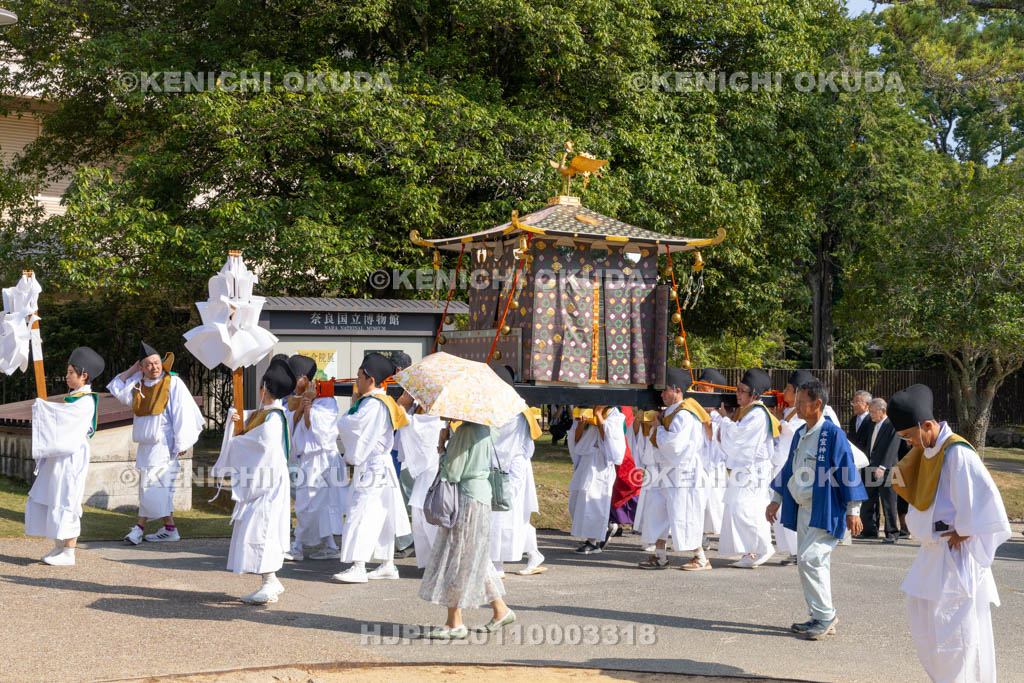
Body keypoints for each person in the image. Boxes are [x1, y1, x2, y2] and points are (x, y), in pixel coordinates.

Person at [889, 384, 1011, 682]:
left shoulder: (956, 452)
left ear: (927, 425)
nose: (908, 444)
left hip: (953, 557)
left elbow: (984, 501)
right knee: (929, 630)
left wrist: (966, 531)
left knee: (954, 634)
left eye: (909, 436)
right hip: (933, 555)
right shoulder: (929, 449)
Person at [767, 380, 867, 640]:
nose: (796, 406)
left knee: (812, 559)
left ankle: (825, 616)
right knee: (808, 562)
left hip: (825, 509)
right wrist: (776, 499)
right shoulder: (801, 433)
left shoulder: (833, 435)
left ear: (817, 404)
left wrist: (853, 510)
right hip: (803, 510)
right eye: (796, 401)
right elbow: (790, 467)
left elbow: (848, 470)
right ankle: (817, 615)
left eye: (801, 402)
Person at [212, 357, 296, 604]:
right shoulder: (270, 414)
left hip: (265, 485)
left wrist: (236, 437)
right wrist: (235, 420)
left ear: (264, 389)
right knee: (258, 531)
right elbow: (250, 421)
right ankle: (269, 581)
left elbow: (255, 447)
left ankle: (270, 581)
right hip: (266, 483)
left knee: (261, 531)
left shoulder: (272, 421)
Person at [420, 420, 515, 639]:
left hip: (466, 498)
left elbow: (452, 472)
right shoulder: (488, 429)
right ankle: (501, 610)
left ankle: (455, 622)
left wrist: (443, 447)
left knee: (458, 556)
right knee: (475, 555)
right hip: (481, 495)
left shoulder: (466, 431)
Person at [108, 342, 204, 545]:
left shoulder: (173, 382)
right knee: (154, 488)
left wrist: (181, 441)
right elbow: (116, 387)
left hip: (164, 445)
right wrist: (132, 370)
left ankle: (138, 528)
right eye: (148, 364)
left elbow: (182, 413)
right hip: (145, 446)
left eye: (156, 362)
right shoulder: (138, 383)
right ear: (141, 367)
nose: (154, 367)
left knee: (154, 487)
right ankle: (170, 529)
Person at [334, 352, 412, 583]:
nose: (356, 380)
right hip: (380, 465)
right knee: (382, 515)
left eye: (359, 376)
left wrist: (352, 406)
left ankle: (359, 566)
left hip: (373, 466)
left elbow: (350, 425)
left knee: (362, 513)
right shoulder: (382, 401)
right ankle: (387, 563)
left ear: (370, 379)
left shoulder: (373, 404)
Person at [25, 347, 104, 567]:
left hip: (71, 458)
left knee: (67, 498)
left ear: (83, 375)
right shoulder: (74, 398)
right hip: (59, 457)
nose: (67, 376)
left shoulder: (86, 401)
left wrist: (44, 409)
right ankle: (59, 546)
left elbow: (66, 421)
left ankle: (69, 550)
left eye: (71, 372)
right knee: (54, 496)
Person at [636, 367, 712, 572]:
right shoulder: (672, 412)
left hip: (682, 472)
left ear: (677, 391)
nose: (661, 394)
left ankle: (701, 558)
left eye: (665, 390)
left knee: (683, 513)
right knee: (658, 510)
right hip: (666, 472)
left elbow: (674, 446)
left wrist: (659, 427)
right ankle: (660, 556)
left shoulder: (685, 415)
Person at [715, 368, 777, 568]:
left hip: (753, 470)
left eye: (743, 391)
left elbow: (740, 439)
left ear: (755, 395)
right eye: (738, 389)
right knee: (738, 508)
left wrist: (723, 419)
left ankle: (764, 547)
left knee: (745, 509)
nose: (738, 394)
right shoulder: (748, 412)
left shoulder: (758, 414)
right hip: (744, 469)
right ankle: (749, 551)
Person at [282, 354, 342, 561]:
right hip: (308, 459)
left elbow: (321, 429)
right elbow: (290, 423)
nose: (291, 383)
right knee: (315, 504)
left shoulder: (326, 399)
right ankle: (330, 545)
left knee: (310, 504)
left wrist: (308, 408)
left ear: (304, 379)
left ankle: (297, 545)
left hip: (322, 459)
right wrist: (301, 408)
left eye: (294, 378)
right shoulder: (296, 398)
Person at [489, 366, 545, 577]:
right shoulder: (517, 406)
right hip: (510, 465)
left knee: (503, 515)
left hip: (510, 468)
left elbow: (501, 442)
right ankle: (534, 554)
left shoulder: (512, 409)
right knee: (517, 515)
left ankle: (496, 563)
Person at [394, 389, 443, 569]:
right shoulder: (420, 409)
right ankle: (431, 564)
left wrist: (401, 406)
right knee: (420, 517)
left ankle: (438, 564)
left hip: (433, 469)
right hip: (425, 473)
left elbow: (413, 426)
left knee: (430, 518)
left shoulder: (436, 412)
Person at [568, 405, 626, 554]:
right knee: (576, 500)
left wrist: (599, 416)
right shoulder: (584, 409)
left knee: (594, 501)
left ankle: (594, 542)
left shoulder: (614, 413)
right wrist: (581, 423)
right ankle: (604, 529)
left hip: (601, 463)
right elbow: (576, 439)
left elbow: (612, 442)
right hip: (585, 461)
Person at [693, 368, 729, 549]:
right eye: (700, 387)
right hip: (698, 464)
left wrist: (707, 421)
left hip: (715, 466)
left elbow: (717, 437)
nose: (701, 392)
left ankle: (727, 539)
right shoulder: (692, 412)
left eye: (705, 388)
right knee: (696, 504)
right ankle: (698, 538)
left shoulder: (719, 417)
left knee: (716, 507)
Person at [859, 398, 901, 543]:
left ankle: (892, 533)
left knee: (888, 501)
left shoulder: (892, 425)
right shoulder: (872, 425)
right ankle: (869, 530)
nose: (870, 414)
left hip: (887, 469)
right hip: (871, 466)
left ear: (883, 411)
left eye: (872, 411)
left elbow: (892, 448)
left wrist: (883, 467)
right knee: (869, 500)